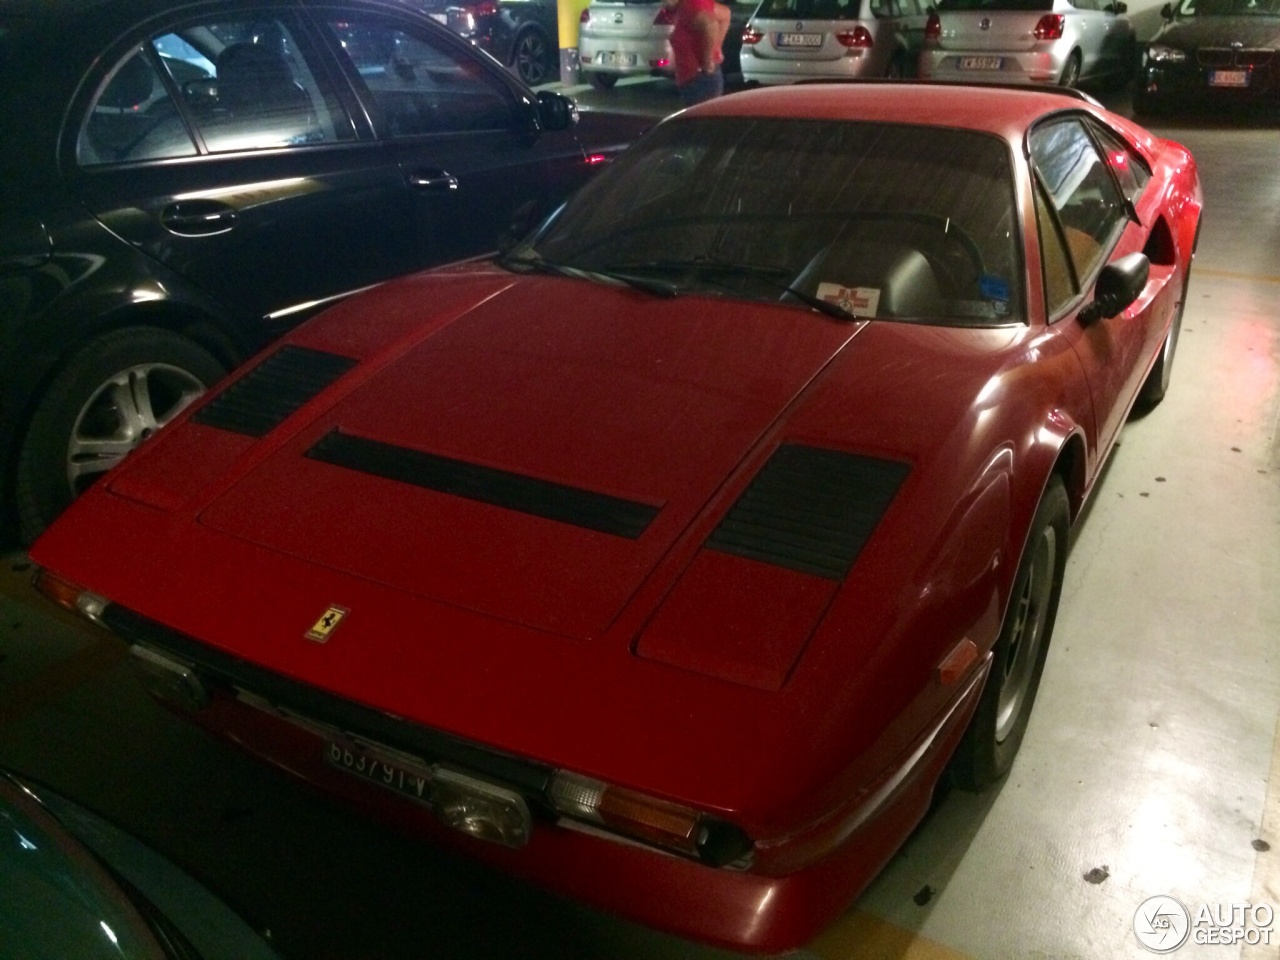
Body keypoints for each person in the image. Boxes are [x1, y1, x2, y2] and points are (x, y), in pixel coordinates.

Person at [667, 0, 731, 106]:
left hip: (698, 80)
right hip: (698, 78)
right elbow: (725, 14)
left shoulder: (690, 6)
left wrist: (707, 62)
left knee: (699, 120)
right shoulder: (691, 4)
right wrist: (716, 48)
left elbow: (710, 25)